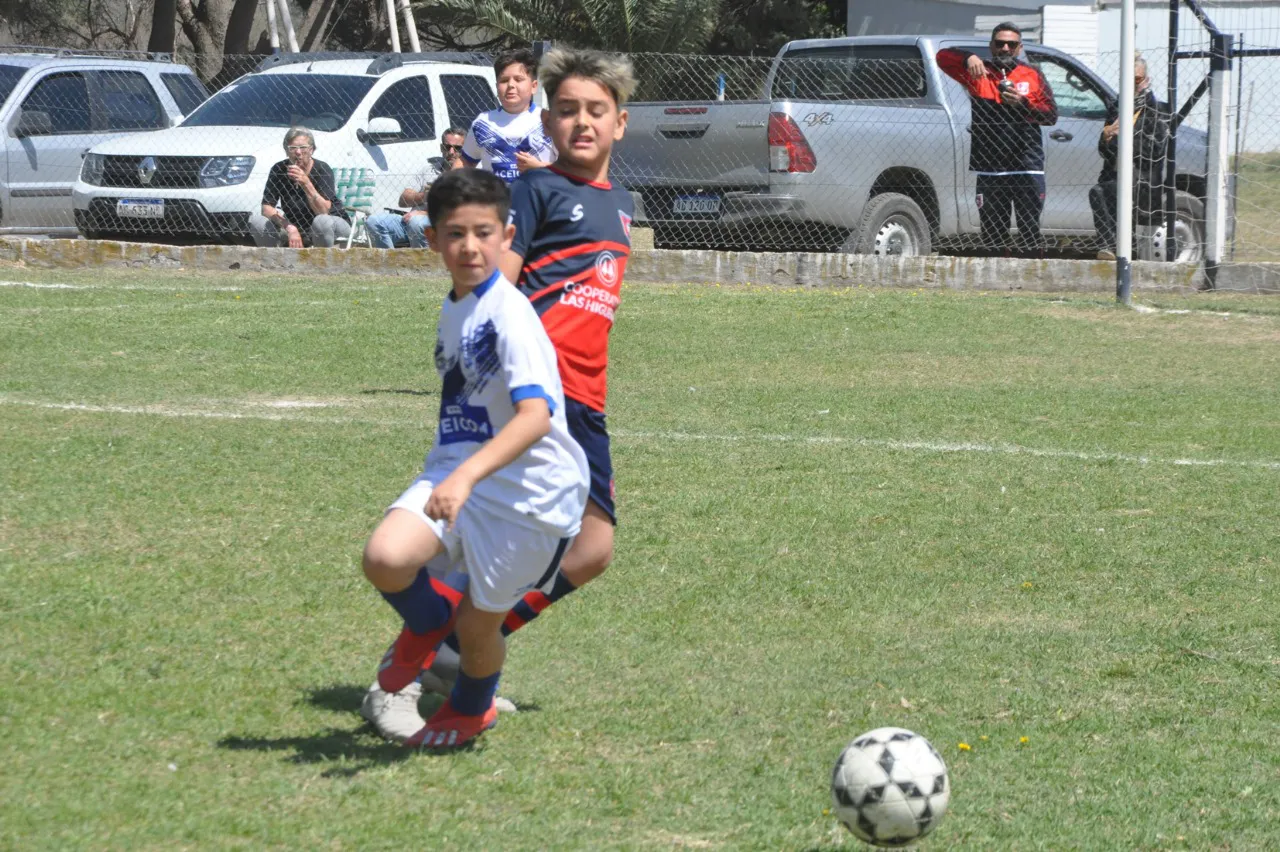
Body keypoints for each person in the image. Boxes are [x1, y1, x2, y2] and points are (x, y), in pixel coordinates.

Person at [362, 48, 638, 742]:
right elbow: (492, 294)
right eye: (567, 110)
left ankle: (461, 648)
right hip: (534, 399)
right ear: (546, 120)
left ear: (621, 124)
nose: (581, 122)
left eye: (595, 111)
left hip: (587, 403)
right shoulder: (539, 192)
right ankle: (408, 674)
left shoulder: (620, 204)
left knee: (592, 551)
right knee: (458, 545)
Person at [360, 167, 589, 750]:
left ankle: (470, 709)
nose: (469, 247)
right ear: (433, 239)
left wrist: (463, 475)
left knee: (480, 625)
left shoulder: (510, 316)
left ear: (507, 236)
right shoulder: (456, 303)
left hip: (528, 496)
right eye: (455, 233)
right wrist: (456, 469)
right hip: (462, 470)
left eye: (483, 233)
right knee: (386, 558)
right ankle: (430, 621)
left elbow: (535, 418)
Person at [937, 24, 1058, 255]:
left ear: (1019, 48)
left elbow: (1051, 115)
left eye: (1011, 44)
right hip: (990, 166)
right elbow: (942, 57)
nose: (1005, 48)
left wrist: (1022, 104)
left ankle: (1031, 277)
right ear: (991, 46)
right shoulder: (979, 72)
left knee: (1029, 233)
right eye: (1000, 43)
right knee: (993, 237)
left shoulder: (1031, 74)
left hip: (1026, 166)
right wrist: (968, 57)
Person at [1089, 57, 1169, 261]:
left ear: (1146, 80)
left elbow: (1155, 151)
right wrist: (1106, 137)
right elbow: (1104, 151)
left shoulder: (1156, 110)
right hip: (1114, 175)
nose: (1132, 84)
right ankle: (1108, 247)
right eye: (1127, 79)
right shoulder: (1118, 107)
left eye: (1137, 79)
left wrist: (1123, 137)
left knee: (1105, 193)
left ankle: (1117, 248)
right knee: (1098, 191)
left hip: (1140, 178)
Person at [461, 48, 556, 184]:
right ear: (496, 86)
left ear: (534, 86)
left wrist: (539, 168)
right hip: (496, 204)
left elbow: (573, 169)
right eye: (504, 80)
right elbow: (465, 162)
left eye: (518, 79)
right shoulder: (483, 122)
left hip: (539, 203)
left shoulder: (549, 121)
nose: (511, 85)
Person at [366, 127, 468, 250]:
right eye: (447, 147)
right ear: (442, 148)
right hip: (411, 220)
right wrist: (422, 196)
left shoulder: (469, 175)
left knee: (417, 223)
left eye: (457, 148)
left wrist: (423, 213)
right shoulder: (428, 170)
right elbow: (403, 200)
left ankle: (423, 267)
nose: (451, 152)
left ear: (465, 150)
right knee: (374, 221)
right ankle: (388, 264)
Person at [248, 128, 351, 248]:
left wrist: (306, 183)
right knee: (258, 221)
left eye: (303, 147)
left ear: (311, 149)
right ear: (286, 151)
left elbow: (323, 211)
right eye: (292, 148)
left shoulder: (322, 169)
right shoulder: (279, 169)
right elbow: (266, 208)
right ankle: (274, 263)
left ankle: (319, 263)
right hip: (294, 225)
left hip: (332, 222)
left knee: (321, 221)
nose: (298, 152)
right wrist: (289, 227)